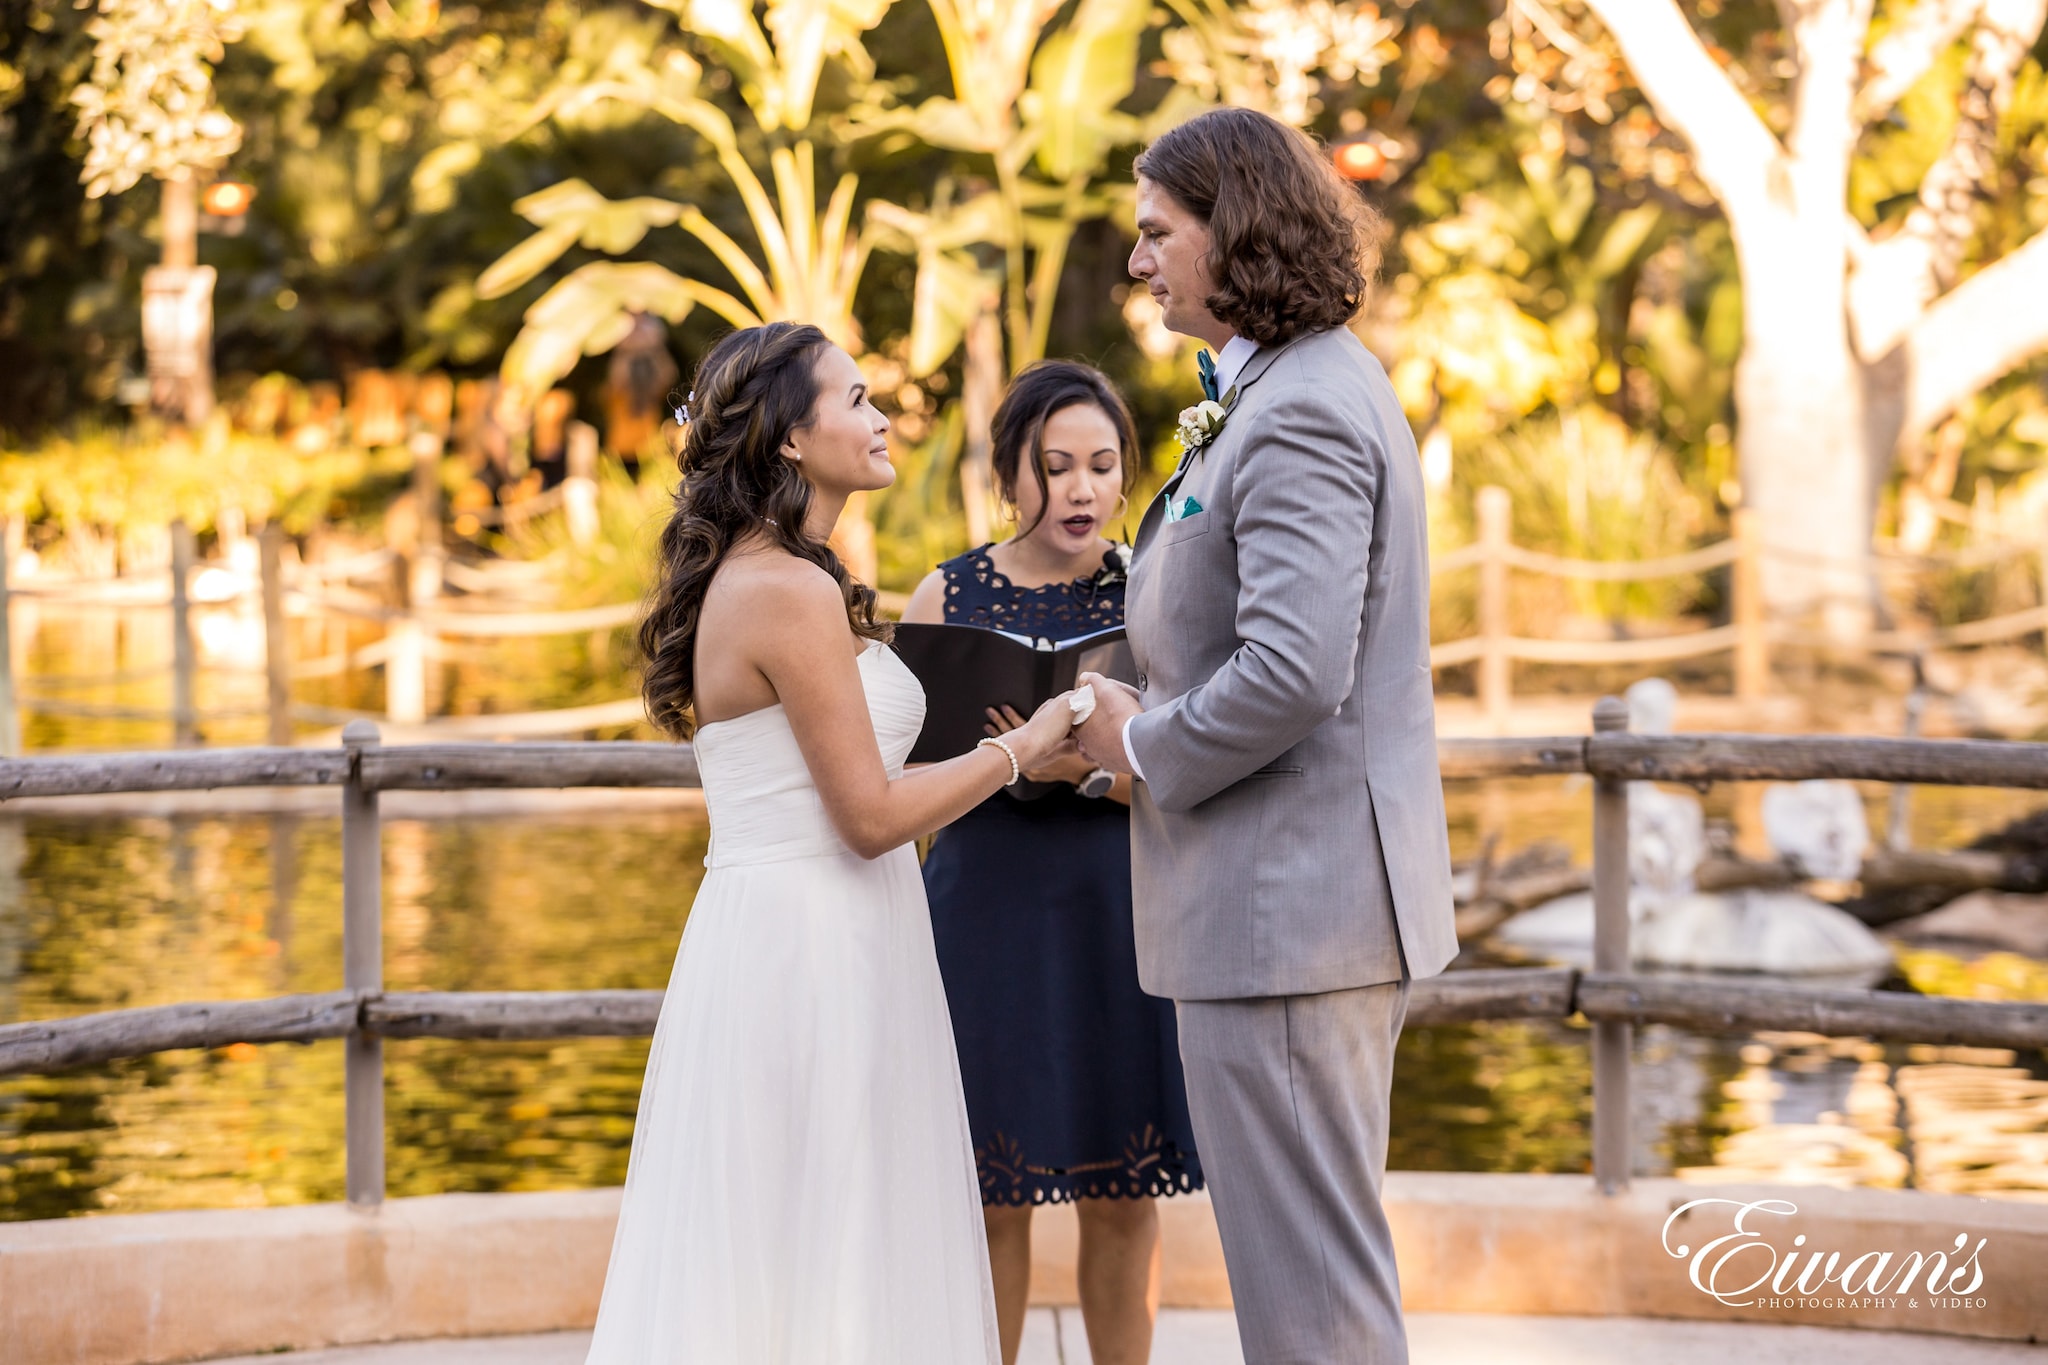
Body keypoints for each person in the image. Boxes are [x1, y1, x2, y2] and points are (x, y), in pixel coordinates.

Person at [586, 321, 1081, 1365]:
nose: (880, 414)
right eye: (854, 398)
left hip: (807, 929)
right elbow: (866, 819)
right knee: (828, 1232)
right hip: (808, 944)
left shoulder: (777, 574)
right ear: (788, 438)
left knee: (816, 1234)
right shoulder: (786, 589)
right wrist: (1022, 749)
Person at [1072, 107, 1460, 1365]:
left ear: (1228, 229)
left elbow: (1296, 669)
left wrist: (1139, 748)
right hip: (1279, 909)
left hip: (1286, 916)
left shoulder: (1296, 408)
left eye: (1155, 234)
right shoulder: (1279, 389)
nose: (1138, 265)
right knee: (1305, 1282)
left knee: (1312, 1303)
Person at [901, 361, 1203, 1365]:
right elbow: (904, 778)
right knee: (991, 1194)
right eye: (1054, 466)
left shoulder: (1156, 587)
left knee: (1121, 1193)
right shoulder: (946, 594)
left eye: (1101, 466)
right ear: (1008, 474)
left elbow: (1200, 762)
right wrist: (1006, 757)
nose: (1079, 489)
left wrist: (1089, 768)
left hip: (1117, 908)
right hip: (983, 913)